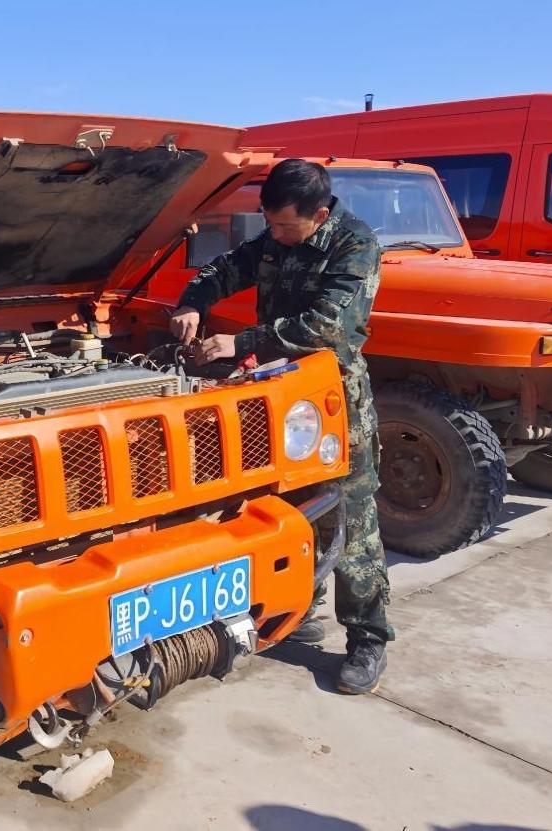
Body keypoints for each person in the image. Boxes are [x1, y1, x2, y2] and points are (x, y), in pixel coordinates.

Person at [170, 158, 393, 694]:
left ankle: (368, 638)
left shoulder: (356, 245)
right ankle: (300, 604)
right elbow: (226, 268)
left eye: (286, 226)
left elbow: (329, 326)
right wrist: (193, 303)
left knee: (350, 516)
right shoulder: (276, 238)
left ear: (320, 215)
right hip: (276, 398)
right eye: (269, 223)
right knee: (286, 507)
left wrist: (240, 341)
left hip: (332, 402)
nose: (276, 235)